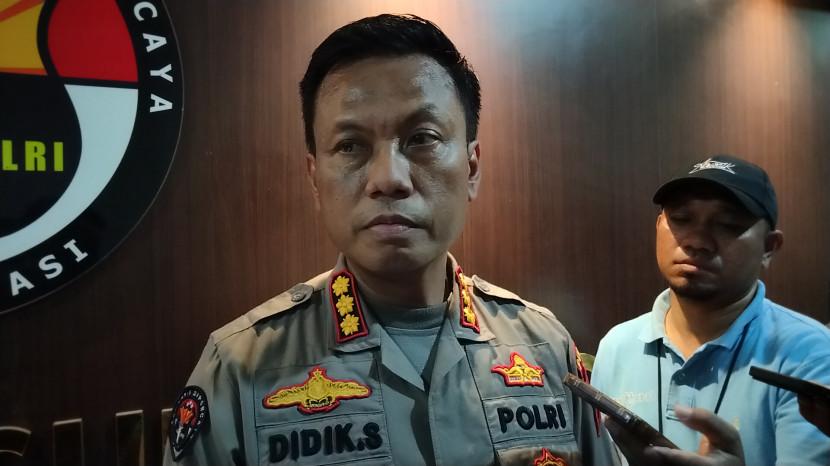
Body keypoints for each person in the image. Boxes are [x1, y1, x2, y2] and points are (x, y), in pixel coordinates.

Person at [163, 14, 620, 466]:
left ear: (471, 168)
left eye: (422, 138)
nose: (389, 178)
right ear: (315, 179)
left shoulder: (545, 348)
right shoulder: (237, 368)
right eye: (350, 146)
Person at [591, 154, 830, 465]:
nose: (697, 241)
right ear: (659, 225)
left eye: (728, 225)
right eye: (681, 218)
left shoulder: (809, 353)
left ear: (769, 247)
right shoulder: (618, 345)